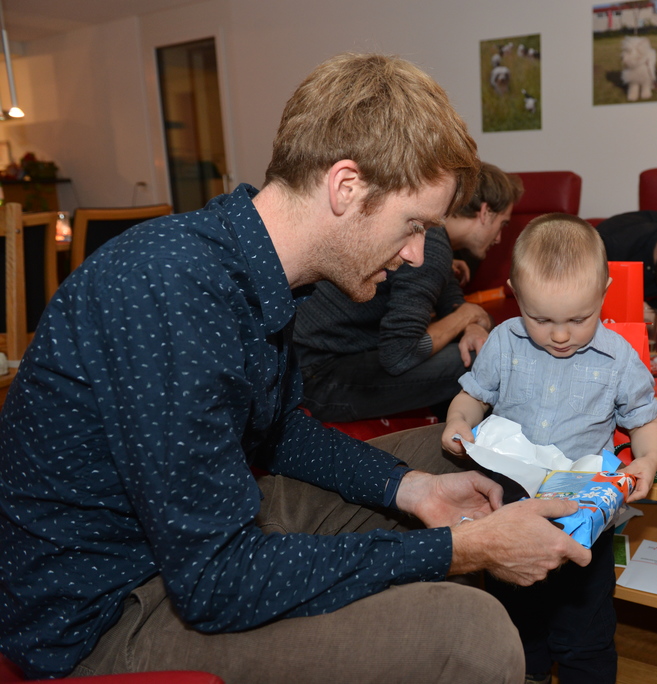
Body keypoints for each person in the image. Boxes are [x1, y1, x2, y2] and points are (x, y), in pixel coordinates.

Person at [0, 53, 593, 683]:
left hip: (194, 535)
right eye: (413, 224)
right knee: (471, 635)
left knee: (460, 451)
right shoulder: (171, 289)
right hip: (111, 611)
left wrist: (410, 489)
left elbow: (278, 431)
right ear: (346, 187)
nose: (419, 254)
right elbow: (215, 582)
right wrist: (453, 550)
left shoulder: (255, 267)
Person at [442, 213, 657, 684]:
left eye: (578, 319)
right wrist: (459, 421)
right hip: (510, 513)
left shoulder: (618, 358)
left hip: (582, 521)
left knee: (585, 631)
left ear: (604, 292)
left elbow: (645, 423)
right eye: (540, 319)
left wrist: (647, 459)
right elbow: (471, 397)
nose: (560, 335)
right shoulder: (504, 342)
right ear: (515, 294)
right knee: (516, 626)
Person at [293, 162, 524, 423]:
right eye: (502, 224)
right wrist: (465, 317)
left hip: (304, 361)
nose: (499, 239)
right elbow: (400, 355)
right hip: (316, 378)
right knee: (480, 359)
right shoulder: (431, 246)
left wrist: (470, 324)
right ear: (485, 212)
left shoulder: (430, 234)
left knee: (470, 343)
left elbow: (450, 300)